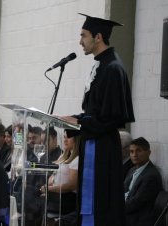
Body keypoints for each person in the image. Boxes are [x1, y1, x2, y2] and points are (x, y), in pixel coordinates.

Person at [58, 14, 135, 226]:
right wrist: (73, 119)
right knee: (92, 201)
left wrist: (79, 123)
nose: (80, 41)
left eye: (83, 35)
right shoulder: (102, 65)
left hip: (103, 147)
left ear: (98, 37)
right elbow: (97, 111)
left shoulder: (112, 68)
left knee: (101, 204)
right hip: (95, 144)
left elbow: (113, 116)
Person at [40, 130, 80, 217]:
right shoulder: (63, 156)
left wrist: (49, 188)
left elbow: (72, 185)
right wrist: (47, 184)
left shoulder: (78, 159)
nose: (65, 140)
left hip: (67, 201)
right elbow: (55, 174)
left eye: (68, 137)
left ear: (76, 140)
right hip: (55, 198)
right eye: (64, 137)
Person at [124, 137, 163, 226]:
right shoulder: (132, 170)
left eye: (139, 151)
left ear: (148, 153)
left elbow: (135, 204)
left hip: (138, 219)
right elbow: (124, 191)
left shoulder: (151, 176)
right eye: (131, 151)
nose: (134, 155)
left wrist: (115, 207)